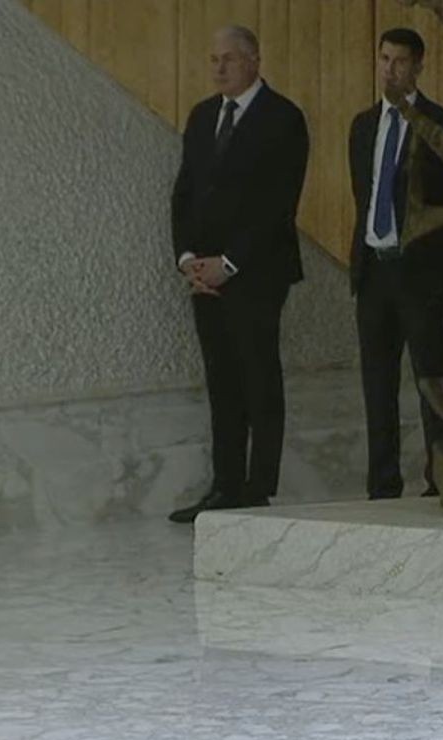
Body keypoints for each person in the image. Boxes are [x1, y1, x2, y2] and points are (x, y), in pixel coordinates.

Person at [168, 25, 309, 523]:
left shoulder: (283, 118)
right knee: (221, 378)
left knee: (257, 374)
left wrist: (229, 264)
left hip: (257, 273)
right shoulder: (203, 116)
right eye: (214, 59)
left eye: (228, 58)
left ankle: (257, 487)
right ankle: (224, 485)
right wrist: (188, 259)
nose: (219, 68)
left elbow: (278, 205)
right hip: (204, 275)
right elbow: (185, 193)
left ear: (253, 60)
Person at [349, 27, 443, 501]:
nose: (390, 70)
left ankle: (440, 476)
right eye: (384, 59)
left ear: (418, 67)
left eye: (400, 61)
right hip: (375, 269)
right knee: (377, 381)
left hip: (422, 272)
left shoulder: (440, 123)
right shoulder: (363, 125)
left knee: (431, 379)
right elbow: (364, 194)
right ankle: (382, 482)